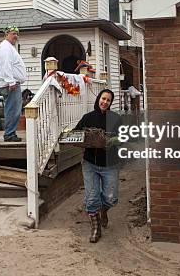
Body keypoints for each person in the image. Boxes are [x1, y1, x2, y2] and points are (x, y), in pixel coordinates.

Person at [74, 88, 121, 243]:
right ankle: (95, 228)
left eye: (108, 100)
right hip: (90, 163)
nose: (105, 102)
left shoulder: (115, 119)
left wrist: (114, 141)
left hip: (109, 164)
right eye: (103, 98)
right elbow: (76, 133)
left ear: (110, 103)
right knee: (92, 197)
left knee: (111, 197)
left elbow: (125, 136)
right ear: (98, 99)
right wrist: (83, 139)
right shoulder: (88, 118)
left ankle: (104, 210)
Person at [0, 26, 27, 142]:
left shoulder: (8, 47)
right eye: (13, 34)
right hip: (10, 85)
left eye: (17, 34)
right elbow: (5, 65)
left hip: (11, 84)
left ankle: (10, 133)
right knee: (13, 110)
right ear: (7, 34)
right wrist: (11, 81)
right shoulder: (5, 47)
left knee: (13, 109)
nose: (16, 36)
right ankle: (9, 134)